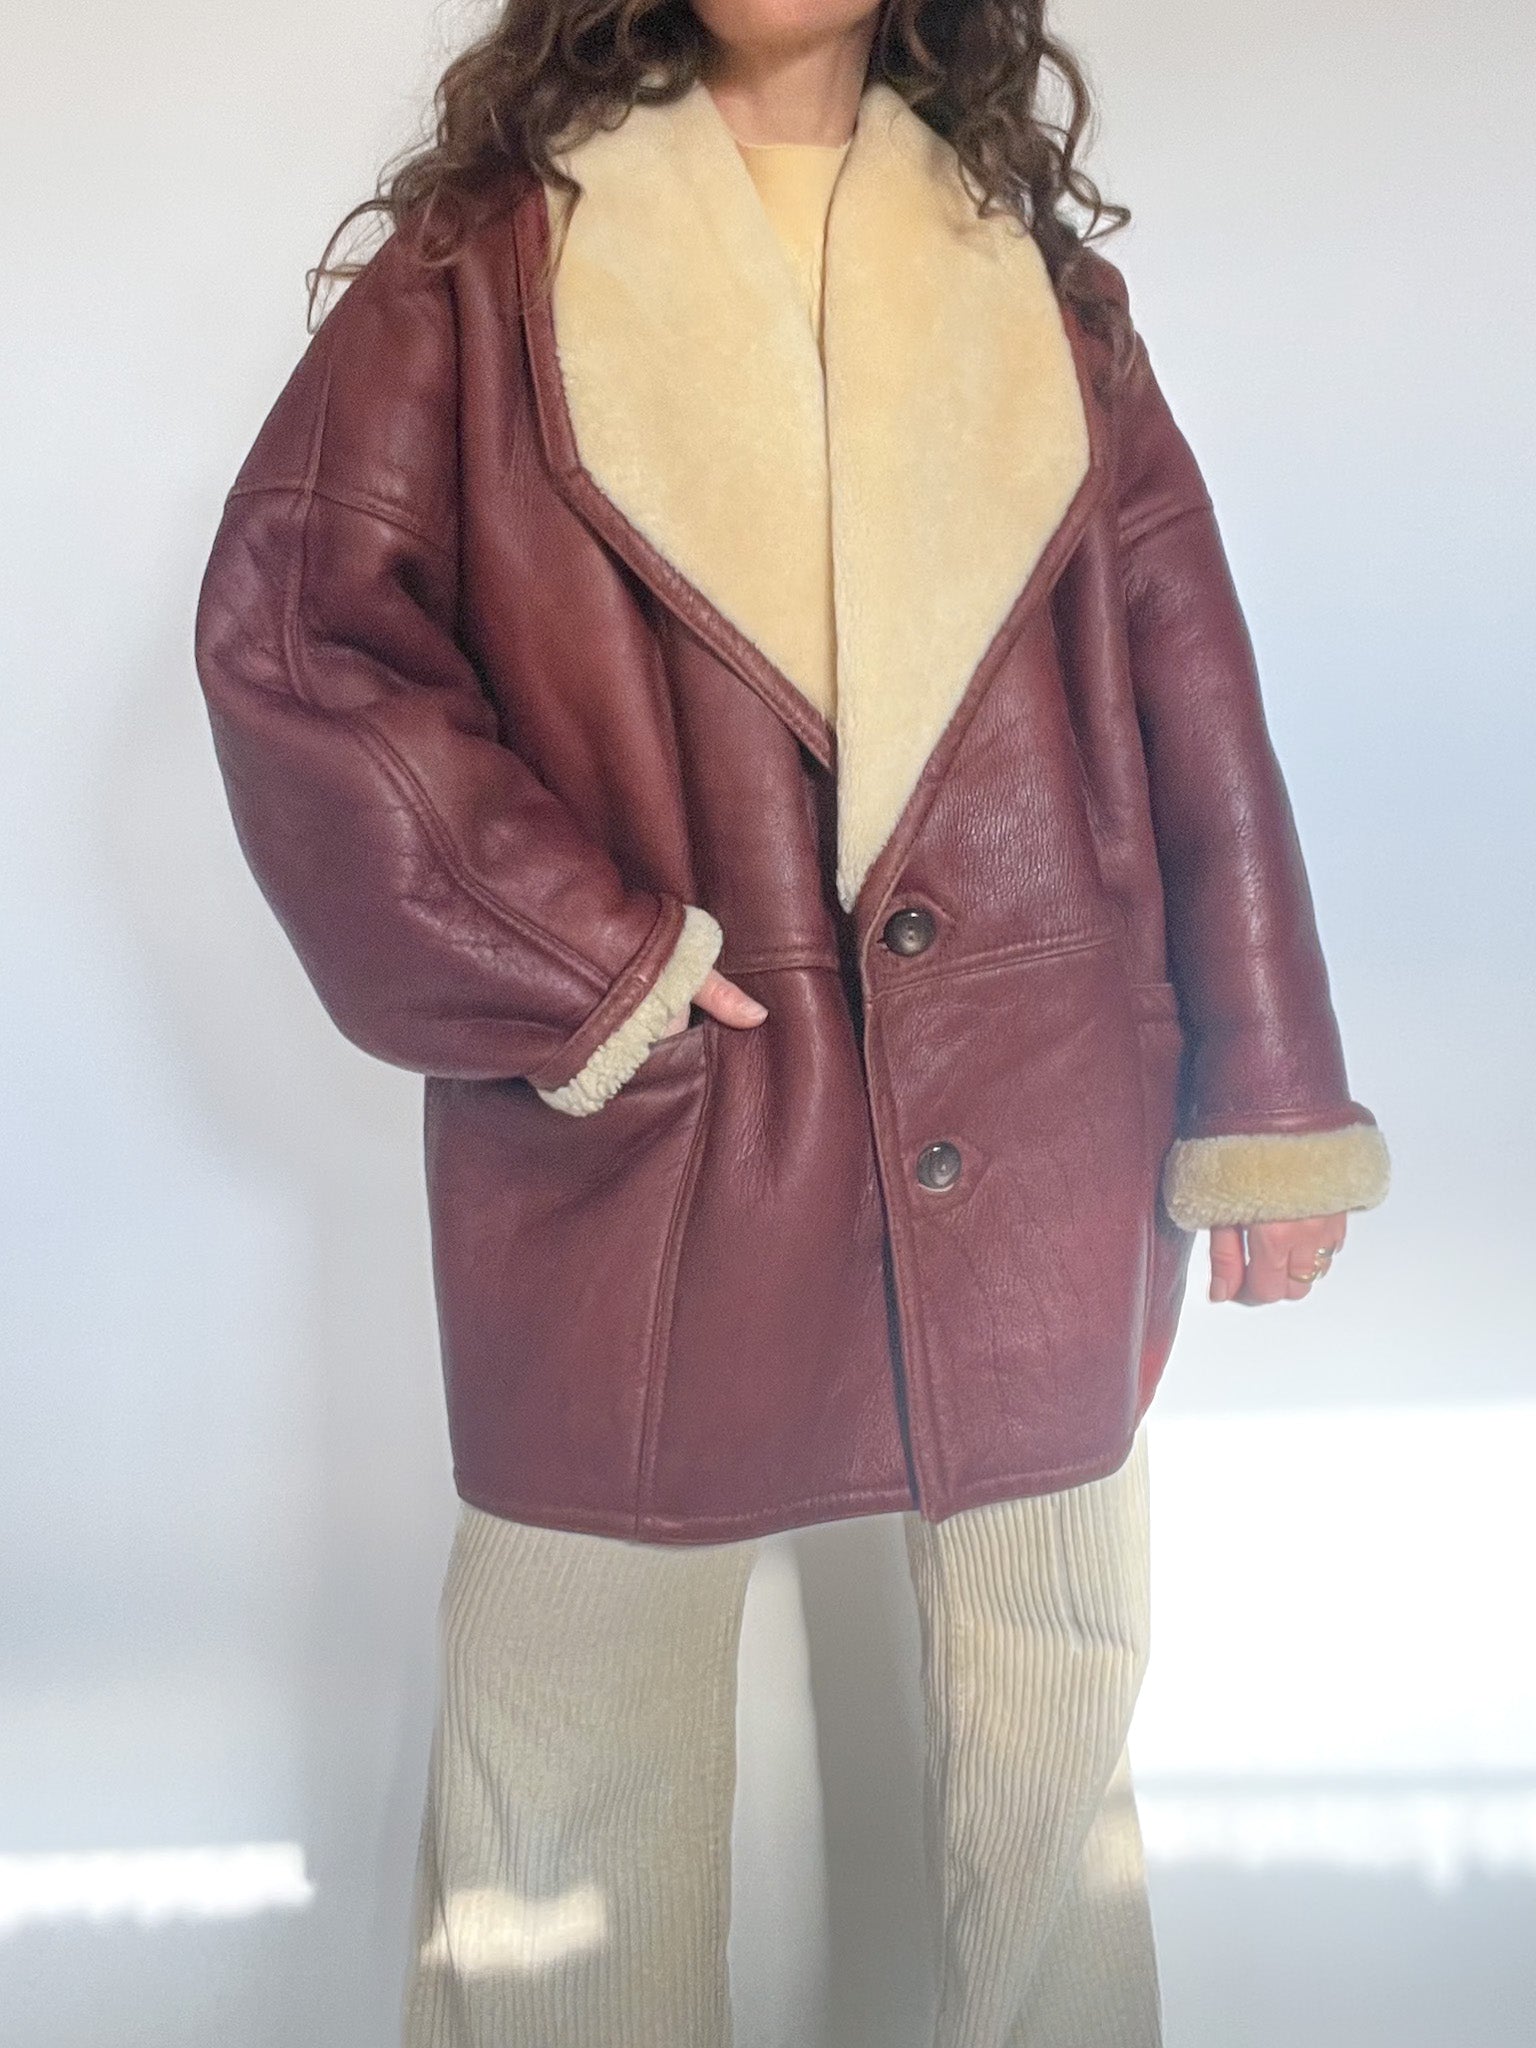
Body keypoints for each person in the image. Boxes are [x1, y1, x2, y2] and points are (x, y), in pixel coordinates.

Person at [192, 0, 1391, 2040]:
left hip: (1043, 1108)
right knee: (562, 1770)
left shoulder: (1042, 291)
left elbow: (1196, 690)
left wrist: (1268, 1099)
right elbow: (298, 643)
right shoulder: (482, 270)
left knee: (1054, 1747)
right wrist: (589, 963)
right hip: (649, 1145)